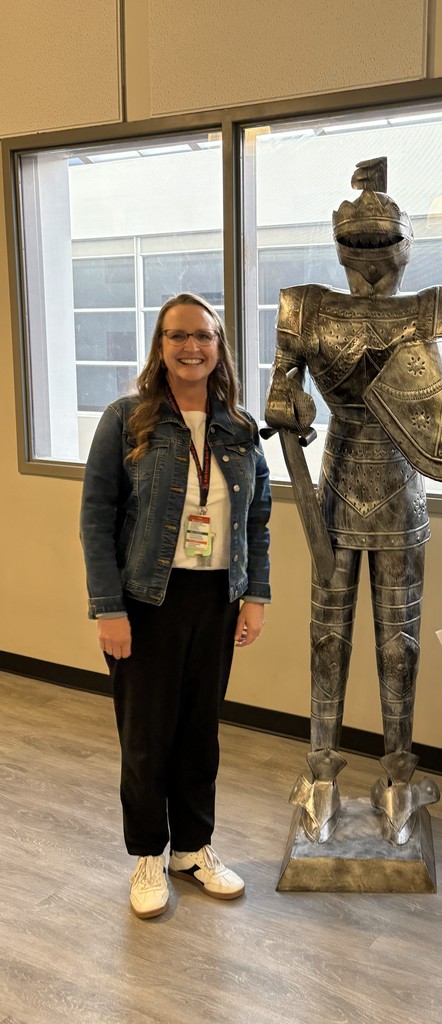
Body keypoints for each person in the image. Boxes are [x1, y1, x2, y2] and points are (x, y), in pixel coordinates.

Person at [264, 157, 442, 845]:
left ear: (404, 245)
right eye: (356, 246)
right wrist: (289, 404)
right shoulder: (304, 306)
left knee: (400, 643)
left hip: (402, 486)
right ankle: (322, 772)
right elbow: (280, 392)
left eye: (380, 245)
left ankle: (397, 774)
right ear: (339, 247)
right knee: (327, 636)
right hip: (333, 485)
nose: (369, 260)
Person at [80, 292, 271, 919]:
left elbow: (258, 523)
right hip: (145, 601)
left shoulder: (239, 429)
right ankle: (148, 855)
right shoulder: (126, 419)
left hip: (216, 596)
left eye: (204, 336)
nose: (192, 347)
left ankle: (193, 848)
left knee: (200, 732)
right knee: (145, 735)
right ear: (160, 347)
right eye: (177, 336)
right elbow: (96, 519)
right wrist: (109, 608)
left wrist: (256, 596)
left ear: (220, 348)